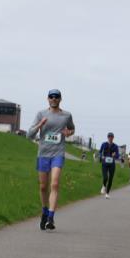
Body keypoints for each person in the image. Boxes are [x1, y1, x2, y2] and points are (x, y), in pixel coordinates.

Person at [27, 89, 75, 231]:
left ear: (60, 99)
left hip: (58, 154)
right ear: (47, 99)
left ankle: (51, 218)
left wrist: (69, 132)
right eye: (51, 97)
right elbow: (29, 135)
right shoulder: (41, 114)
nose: (54, 99)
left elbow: (72, 129)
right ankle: (44, 211)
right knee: (43, 186)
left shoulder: (66, 115)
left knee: (54, 184)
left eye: (56, 97)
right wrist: (40, 125)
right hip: (43, 154)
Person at [98, 132, 120, 198]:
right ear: (107, 137)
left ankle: (107, 193)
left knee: (110, 178)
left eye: (111, 137)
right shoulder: (104, 144)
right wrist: (101, 156)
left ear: (113, 138)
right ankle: (104, 186)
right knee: (105, 177)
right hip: (105, 163)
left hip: (112, 164)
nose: (110, 138)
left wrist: (115, 155)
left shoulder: (115, 146)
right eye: (109, 137)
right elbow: (100, 152)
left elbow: (118, 155)